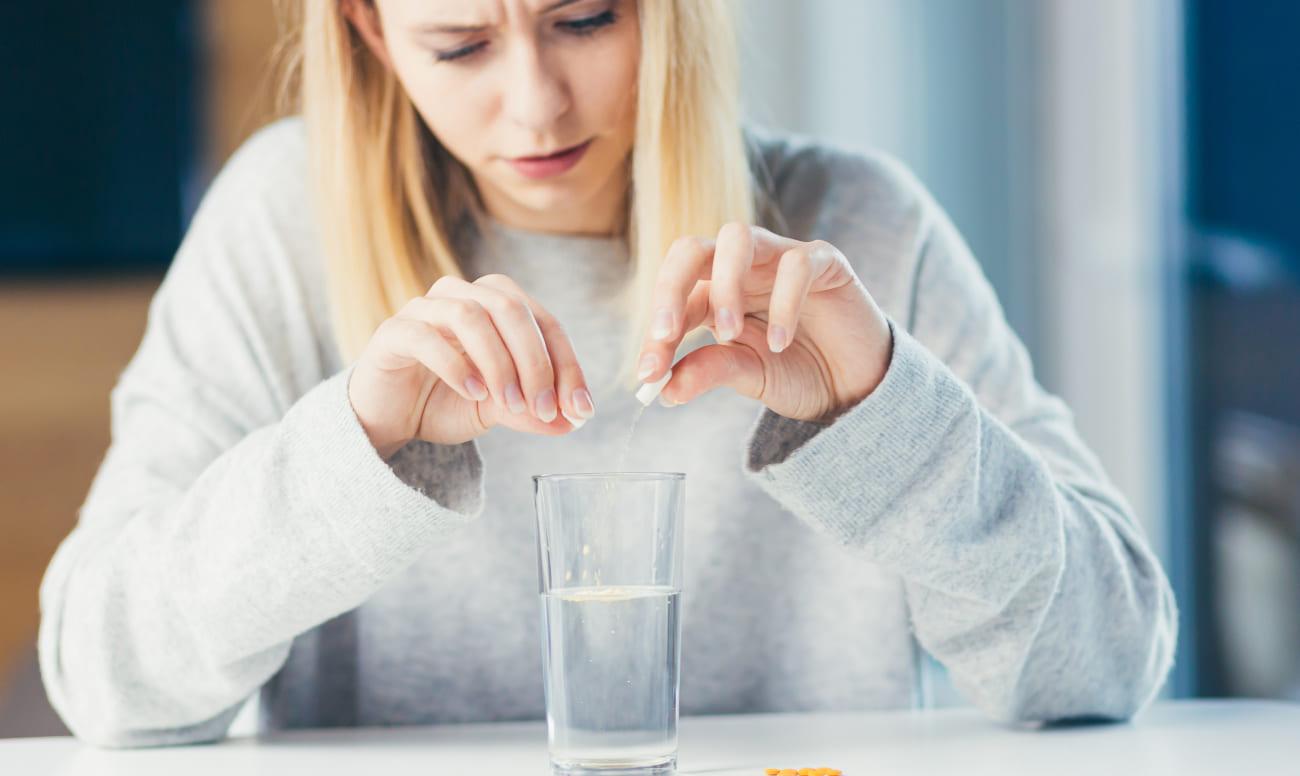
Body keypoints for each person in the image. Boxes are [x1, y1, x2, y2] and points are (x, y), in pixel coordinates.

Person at [38, 0, 1177, 747]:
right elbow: (105, 679)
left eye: (584, 18)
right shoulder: (282, 223)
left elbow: (1107, 660)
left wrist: (881, 408)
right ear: (372, 34)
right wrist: (354, 443)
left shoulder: (859, 230)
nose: (535, 103)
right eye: (461, 44)